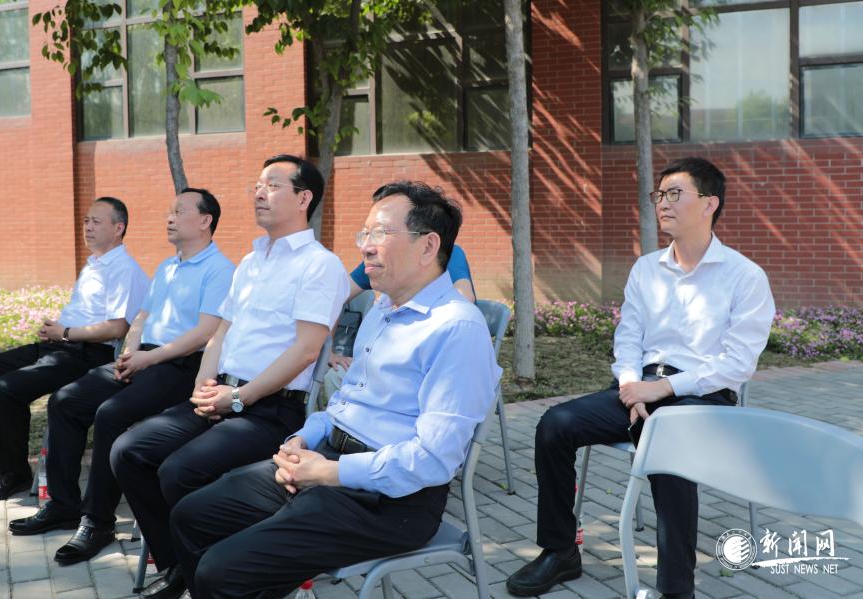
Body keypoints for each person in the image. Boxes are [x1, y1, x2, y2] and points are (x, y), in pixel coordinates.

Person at [162, 181, 501, 599]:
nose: (365, 247)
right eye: (365, 233)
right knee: (191, 515)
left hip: (390, 500)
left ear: (428, 246)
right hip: (328, 460)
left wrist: (329, 474)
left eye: (380, 233)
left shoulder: (456, 328)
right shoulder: (381, 311)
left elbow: (433, 460)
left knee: (221, 570)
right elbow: (344, 403)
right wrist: (303, 439)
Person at [506, 157, 775, 599]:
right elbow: (628, 338)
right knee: (556, 424)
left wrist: (663, 388)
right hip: (641, 387)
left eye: (675, 194)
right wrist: (632, 387)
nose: (662, 203)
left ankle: (675, 589)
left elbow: (737, 364)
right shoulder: (647, 269)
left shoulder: (744, 276)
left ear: (709, 203)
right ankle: (560, 550)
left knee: (666, 442)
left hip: (704, 397)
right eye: (659, 195)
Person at [111, 154, 347, 598]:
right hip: (222, 394)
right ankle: (181, 566)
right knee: (129, 451)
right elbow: (221, 332)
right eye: (257, 185)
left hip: (271, 409)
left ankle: (210, 577)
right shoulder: (251, 262)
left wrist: (239, 398)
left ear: (304, 199)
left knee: (179, 470)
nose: (259, 193)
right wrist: (203, 387)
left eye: (272, 185)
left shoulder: (320, 265)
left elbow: (306, 350)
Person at [5, 189, 235, 566]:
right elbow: (141, 317)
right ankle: (63, 505)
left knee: (110, 413)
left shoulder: (220, 269)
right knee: (66, 401)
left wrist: (148, 358)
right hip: (143, 359)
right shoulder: (167, 267)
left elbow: (205, 333)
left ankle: (97, 522)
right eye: (169, 212)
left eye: (179, 212)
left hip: (181, 366)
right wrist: (130, 353)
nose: (169, 218)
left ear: (205, 220)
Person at [0, 197, 150, 504]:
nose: (87, 227)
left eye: (96, 221)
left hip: (88, 354)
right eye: (86, 221)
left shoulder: (125, 269)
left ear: (118, 228)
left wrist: (64, 332)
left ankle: (11, 473)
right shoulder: (94, 264)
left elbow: (118, 328)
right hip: (59, 344)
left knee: (7, 388)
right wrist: (58, 331)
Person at [323, 241, 476, 404]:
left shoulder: (447, 253)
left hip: (433, 367)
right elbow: (336, 295)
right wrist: (327, 351)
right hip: (386, 364)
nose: (367, 246)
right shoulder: (379, 258)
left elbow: (464, 298)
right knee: (335, 376)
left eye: (384, 231)